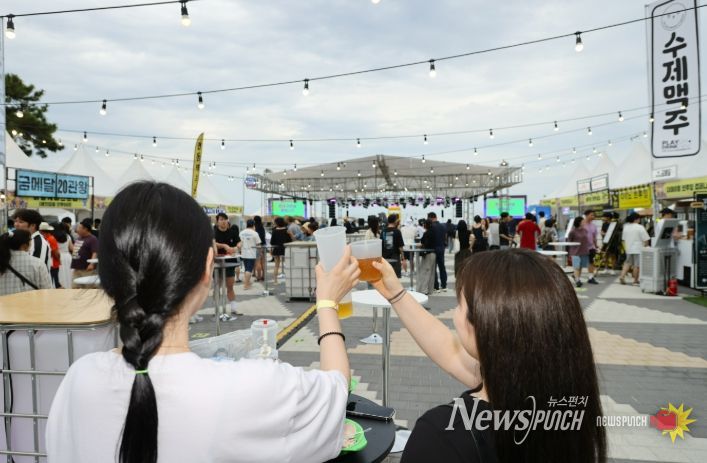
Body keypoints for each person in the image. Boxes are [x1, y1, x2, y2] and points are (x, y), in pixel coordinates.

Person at [46, 181, 361, 463]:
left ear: (107, 273)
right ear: (208, 265)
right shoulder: (250, 387)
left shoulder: (79, 379)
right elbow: (335, 391)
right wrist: (327, 302)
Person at [370, 250, 606, 463]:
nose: (454, 314)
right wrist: (396, 294)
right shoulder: (564, 401)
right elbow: (450, 351)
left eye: (459, 304)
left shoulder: (442, 435)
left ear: (486, 327)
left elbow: (453, 353)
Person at [0, 229, 53, 295]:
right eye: (30, 240)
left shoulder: (2, 261)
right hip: (31, 301)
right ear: (24, 245)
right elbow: (47, 291)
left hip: (4, 301)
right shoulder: (38, 264)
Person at [213, 213, 242, 317]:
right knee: (217, 286)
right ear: (217, 221)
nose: (223, 221)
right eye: (221, 219)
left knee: (230, 285)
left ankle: (233, 308)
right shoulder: (213, 232)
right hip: (217, 262)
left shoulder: (232, 232)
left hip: (230, 261)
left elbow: (239, 242)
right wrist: (224, 246)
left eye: (225, 219)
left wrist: (236, 248)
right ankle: (217, 309)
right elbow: (212, 242)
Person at [620, 213, 650, 285]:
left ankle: (622, 276)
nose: (640, 220)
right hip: (638, 249)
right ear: (636, 219)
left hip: (628, 248)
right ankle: (635, 281)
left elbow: (623, 239)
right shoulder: (640, 227)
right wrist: (646, 246)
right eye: (639, 219)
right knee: (637, 265)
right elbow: (646, 239)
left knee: (627, 263)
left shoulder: (626, 227)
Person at [71, 218, 99, 288]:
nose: (77, 230)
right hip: (77, 268)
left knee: (89, 288)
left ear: (85, 229)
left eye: (79, 228)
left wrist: (91, 264)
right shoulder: (79, 238)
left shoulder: (92, 239)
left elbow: (95, 252)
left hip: (87, 269)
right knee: (74, 288)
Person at [238, 219, 262, 290]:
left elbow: (239, 242)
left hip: (243, 253)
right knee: (249, 269)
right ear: (253, 225)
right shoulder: (255, 233)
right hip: (251, 253)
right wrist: (260, 253)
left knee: (246, 269)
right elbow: (258, 244)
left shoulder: (241, 233)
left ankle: (247, 283)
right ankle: (246, 285)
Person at [568, 217, 592, 288]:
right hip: (575, 252)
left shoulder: (585, 230)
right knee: (576, 266)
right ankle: (577, 280)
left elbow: (586, 240)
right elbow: (569, 241)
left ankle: (577, 277)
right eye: (583, 221)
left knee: (581, 266)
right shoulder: (572, 231)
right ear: (579, 222)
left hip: (584, 251)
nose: (584, 222)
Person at [428, 212, 448, 292]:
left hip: (433, 249)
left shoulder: (431, 226)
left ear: (430, 218)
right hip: (441, 248)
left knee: (434, 268)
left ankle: (436, 286)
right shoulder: (443, 226)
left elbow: (430, 239)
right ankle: (444, 285)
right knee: (442, 267)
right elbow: (445, 237)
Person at [415, 220, 436, 295]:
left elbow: (424, 243)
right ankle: (430, 289)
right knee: (431, 273)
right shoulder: (434, 232)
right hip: (433, 254)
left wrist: (420, 245)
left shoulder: (427, 233)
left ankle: (424, 290)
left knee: (425, 272)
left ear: (426, 225)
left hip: (428, 254)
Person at [270, 216, 292, 282]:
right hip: (286, 249)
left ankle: (275, 280)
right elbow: (290, 240)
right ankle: (289, 280)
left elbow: (272, 242)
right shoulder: (286, 230)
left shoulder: (274, 231)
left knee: (276, 265)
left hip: (277, 249)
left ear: (276, 223)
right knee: (288, 265)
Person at [53, 221, 74, 289]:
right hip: (67, 257)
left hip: (57, 257)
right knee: (69, 275)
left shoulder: (53, 237)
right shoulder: (67, 236)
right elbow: (72, 248)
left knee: (60, 275)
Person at [40, 222, 61, 288]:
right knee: (54, 281)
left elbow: (55, 252)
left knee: (54, 282)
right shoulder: (51, 238)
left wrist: (58, 259)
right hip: (53, 263)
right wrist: (59, 260)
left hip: (52, 263)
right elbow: (56, 252)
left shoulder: (48, 239)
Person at [583, 210, 600, 285]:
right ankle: (576, 275)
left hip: (591, 247)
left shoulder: (593, 226)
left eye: (594, 215)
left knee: (591, 262)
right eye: (591, 215)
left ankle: (591, 277)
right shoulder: (581, 224)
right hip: (582, 247)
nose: (593, 217)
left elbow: (594, 237)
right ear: (586, 215)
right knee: (580, 262)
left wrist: (596, 246)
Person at [253, 215, 266, 281]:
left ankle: (258, 277)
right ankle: (263, 276)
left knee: (258, 262)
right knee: (263, 262)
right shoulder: (262, 227)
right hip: (264, 245)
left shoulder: (255, 228)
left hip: (258, 246)